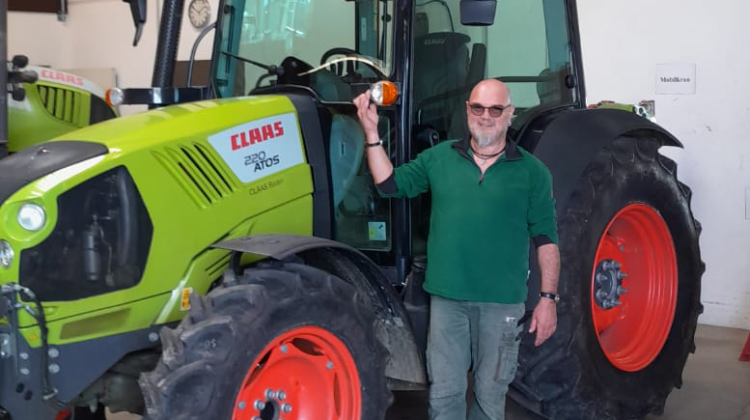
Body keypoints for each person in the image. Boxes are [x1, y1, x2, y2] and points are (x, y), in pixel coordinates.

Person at [353, 79, 560, 420]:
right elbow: (389, 184)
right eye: (478, 108)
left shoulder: (532, 172)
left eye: (495, 109)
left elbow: (547, 239)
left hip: (501, 305)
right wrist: (372, 133)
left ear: (510, 113)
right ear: (467, 110)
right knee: (445, 394)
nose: (486, 116)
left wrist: (548, 299)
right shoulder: (439, 158)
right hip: (448, 302)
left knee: (490, 396)